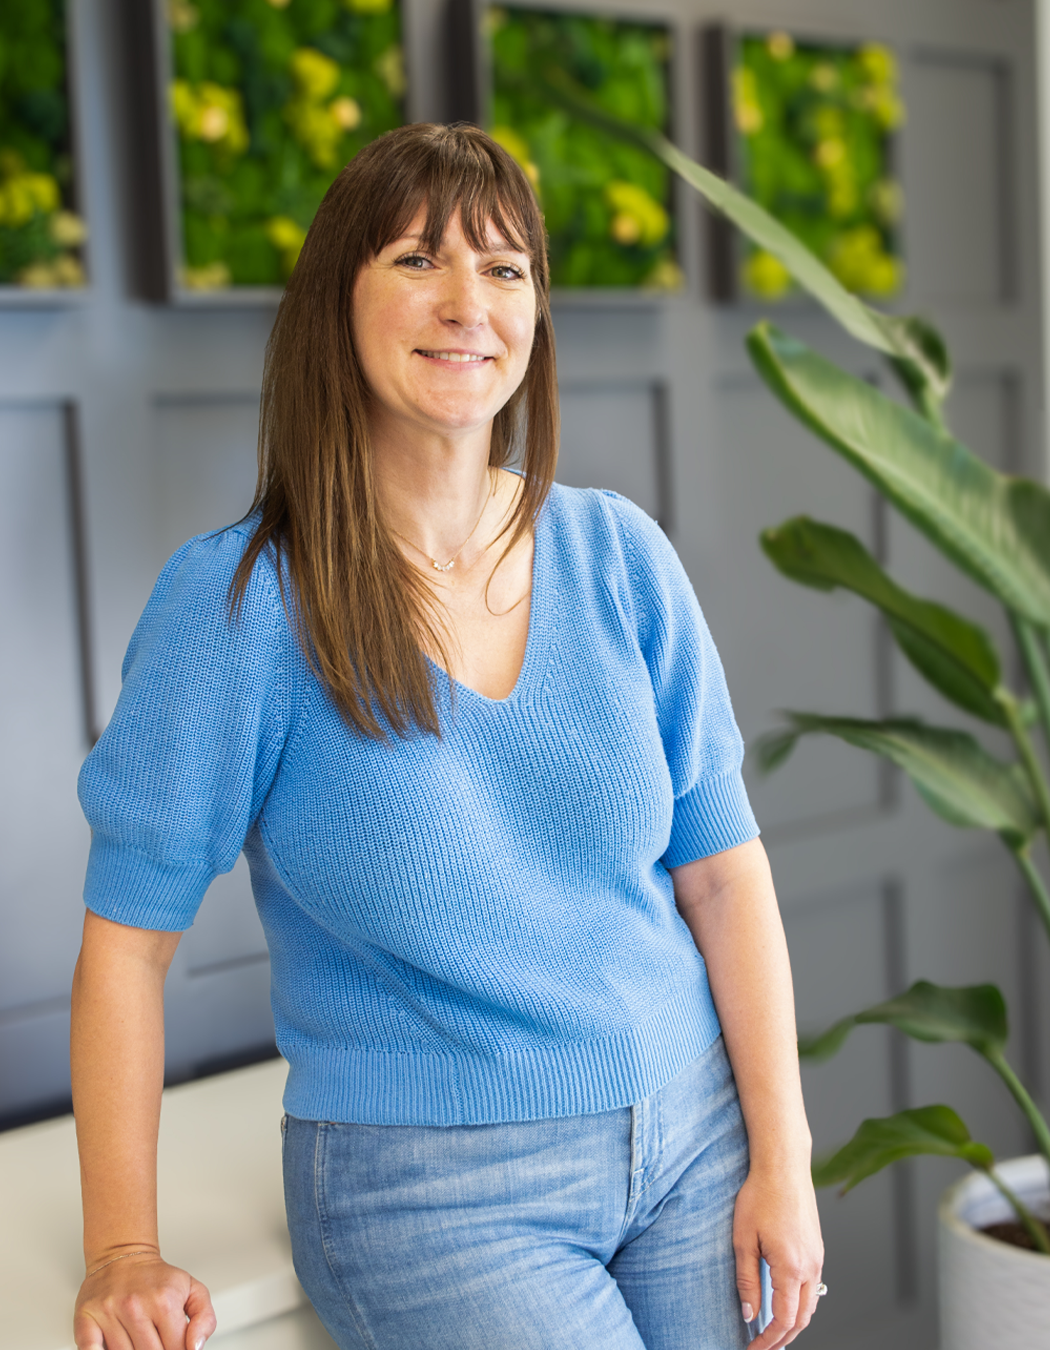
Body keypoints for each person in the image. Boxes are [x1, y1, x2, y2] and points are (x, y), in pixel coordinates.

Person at [70, 122, 824, 1350]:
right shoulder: (239, 610)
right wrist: (120, 1252)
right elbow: (124, 951)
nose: (468, 301)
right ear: (338, 299)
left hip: (695, 1139)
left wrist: (781, 1158)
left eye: (506, 267)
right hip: (432, 1194)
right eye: (418, 259)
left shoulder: (620, 555)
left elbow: (727, 877)